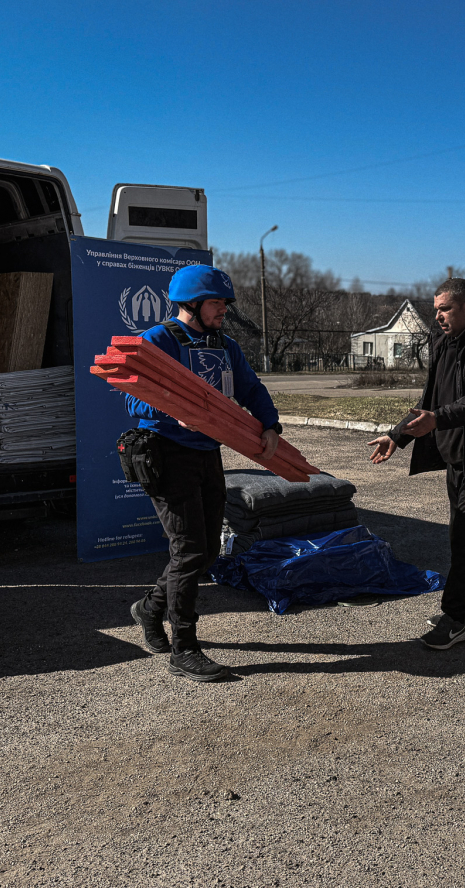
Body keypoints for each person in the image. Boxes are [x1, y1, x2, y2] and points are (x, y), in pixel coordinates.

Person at [125, 264, 282, 682]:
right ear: (191, 303)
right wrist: (173, 410)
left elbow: (250, 388)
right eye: (216, 302)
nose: (224, 310)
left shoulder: (225, 345)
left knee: (208, 551)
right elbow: (133, 399)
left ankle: (149, 609)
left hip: (208, 454)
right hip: (166, 454)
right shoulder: (157, 340)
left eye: (225, 302)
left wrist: (270, 424)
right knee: (189, 550)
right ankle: (184, 649)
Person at [368, 278, 465, 649]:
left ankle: (454, 619)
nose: (438, 316)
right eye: (436, 309)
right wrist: (397, 435)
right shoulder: (444, 343)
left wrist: (438, 419)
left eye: (446, 309)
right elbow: (430, 401)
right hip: (458, 458)